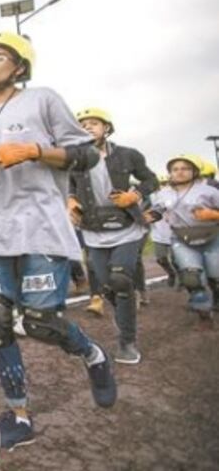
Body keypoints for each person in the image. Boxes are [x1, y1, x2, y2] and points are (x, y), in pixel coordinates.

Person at [0, 31, 117, 451]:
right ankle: (20, 415)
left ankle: (93, 354)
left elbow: (87, 155)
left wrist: (34, 150)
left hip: (41, 226)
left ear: (19, 67)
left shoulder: (42, 99)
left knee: (40, 322)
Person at [69, 108, 157, 364]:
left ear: (106, 128)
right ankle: (126, 305)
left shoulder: (128, 154)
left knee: (120, 279)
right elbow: (67, 185)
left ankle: (127, 341)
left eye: (93, 123)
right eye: (82, 124)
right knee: (109, 286)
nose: (87, 127)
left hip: (127, 228)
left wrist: (135, 194)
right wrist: (70, 201)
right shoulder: (73, 159)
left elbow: (151, 180)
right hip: (93, 229)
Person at [147, 154, 219, 328]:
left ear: (194, 171)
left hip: (211, 237)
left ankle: (216, 298)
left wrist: (213, 214)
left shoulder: (209, 191)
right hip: (182, 239)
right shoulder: (164, 194)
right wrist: (147, 217)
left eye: (185, 168)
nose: (179, 172)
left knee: (215, 277)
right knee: (191, 278)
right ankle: (204, 314)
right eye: (175, 169)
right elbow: (157, 210)